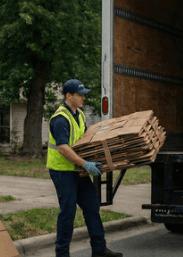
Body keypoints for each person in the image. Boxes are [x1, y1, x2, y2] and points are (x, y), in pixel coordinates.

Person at [47, 79, 123, 257]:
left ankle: (99, 249)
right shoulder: (60, 118)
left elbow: (84, 140)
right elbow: (62, 148)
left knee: (91, 207)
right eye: (80, 95)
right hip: (62, 171)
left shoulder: (79, 114)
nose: (83, 98)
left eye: (84, 95)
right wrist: (85, 164)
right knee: (68, 212)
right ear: (68, 95)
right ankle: (62, 254)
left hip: (77, 170)